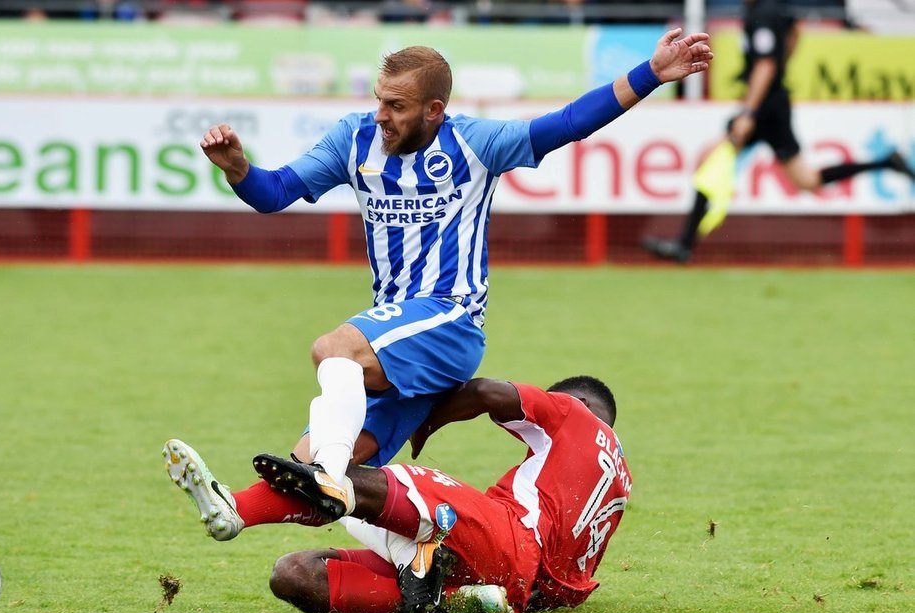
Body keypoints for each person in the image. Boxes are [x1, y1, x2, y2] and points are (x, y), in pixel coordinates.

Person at [195, 32, 706, 527]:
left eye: (396, 105)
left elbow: (569, 123)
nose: (381, 116)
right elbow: (275, 192)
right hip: (392, 337)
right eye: (379, 100)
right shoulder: (355, 140)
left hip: (450, 320)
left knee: (332, 351)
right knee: (307, 464)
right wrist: (239, 168)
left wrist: (653, 74)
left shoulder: (476, 144)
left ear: (434, 109)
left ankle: (326, 476)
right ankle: (236, 512)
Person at [163, 374, 631, 613]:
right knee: (297, 575)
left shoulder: (575, 412)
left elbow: (490, 392)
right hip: (521, 590)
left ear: (582, 406)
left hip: (510, 542)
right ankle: (447, 597)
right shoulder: (620, 479)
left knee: (384, 479)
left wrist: (426, 419)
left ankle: (244, 507)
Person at [642, 0, 915, 264]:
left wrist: (749, 112)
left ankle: (683, 245)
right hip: (773, 105)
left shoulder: (762, 13)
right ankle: (886, 162)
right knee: (806, 180)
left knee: (708, 160)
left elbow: (766, 64)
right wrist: (781, 67)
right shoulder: (774, 9)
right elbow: (794, 32)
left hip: (763, 109)